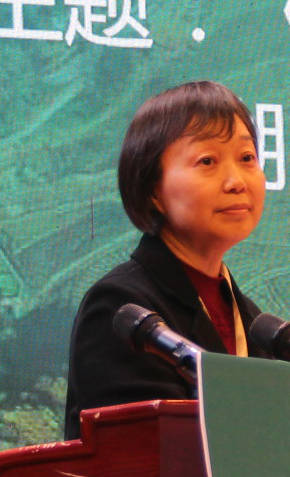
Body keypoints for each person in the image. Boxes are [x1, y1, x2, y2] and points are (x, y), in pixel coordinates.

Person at [64, 79, 276, 437]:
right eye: (207, 161)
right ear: (153, 191)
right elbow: (141, 453)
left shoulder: (257, 325)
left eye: (247, 158)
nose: (237, 181)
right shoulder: (122, 307)